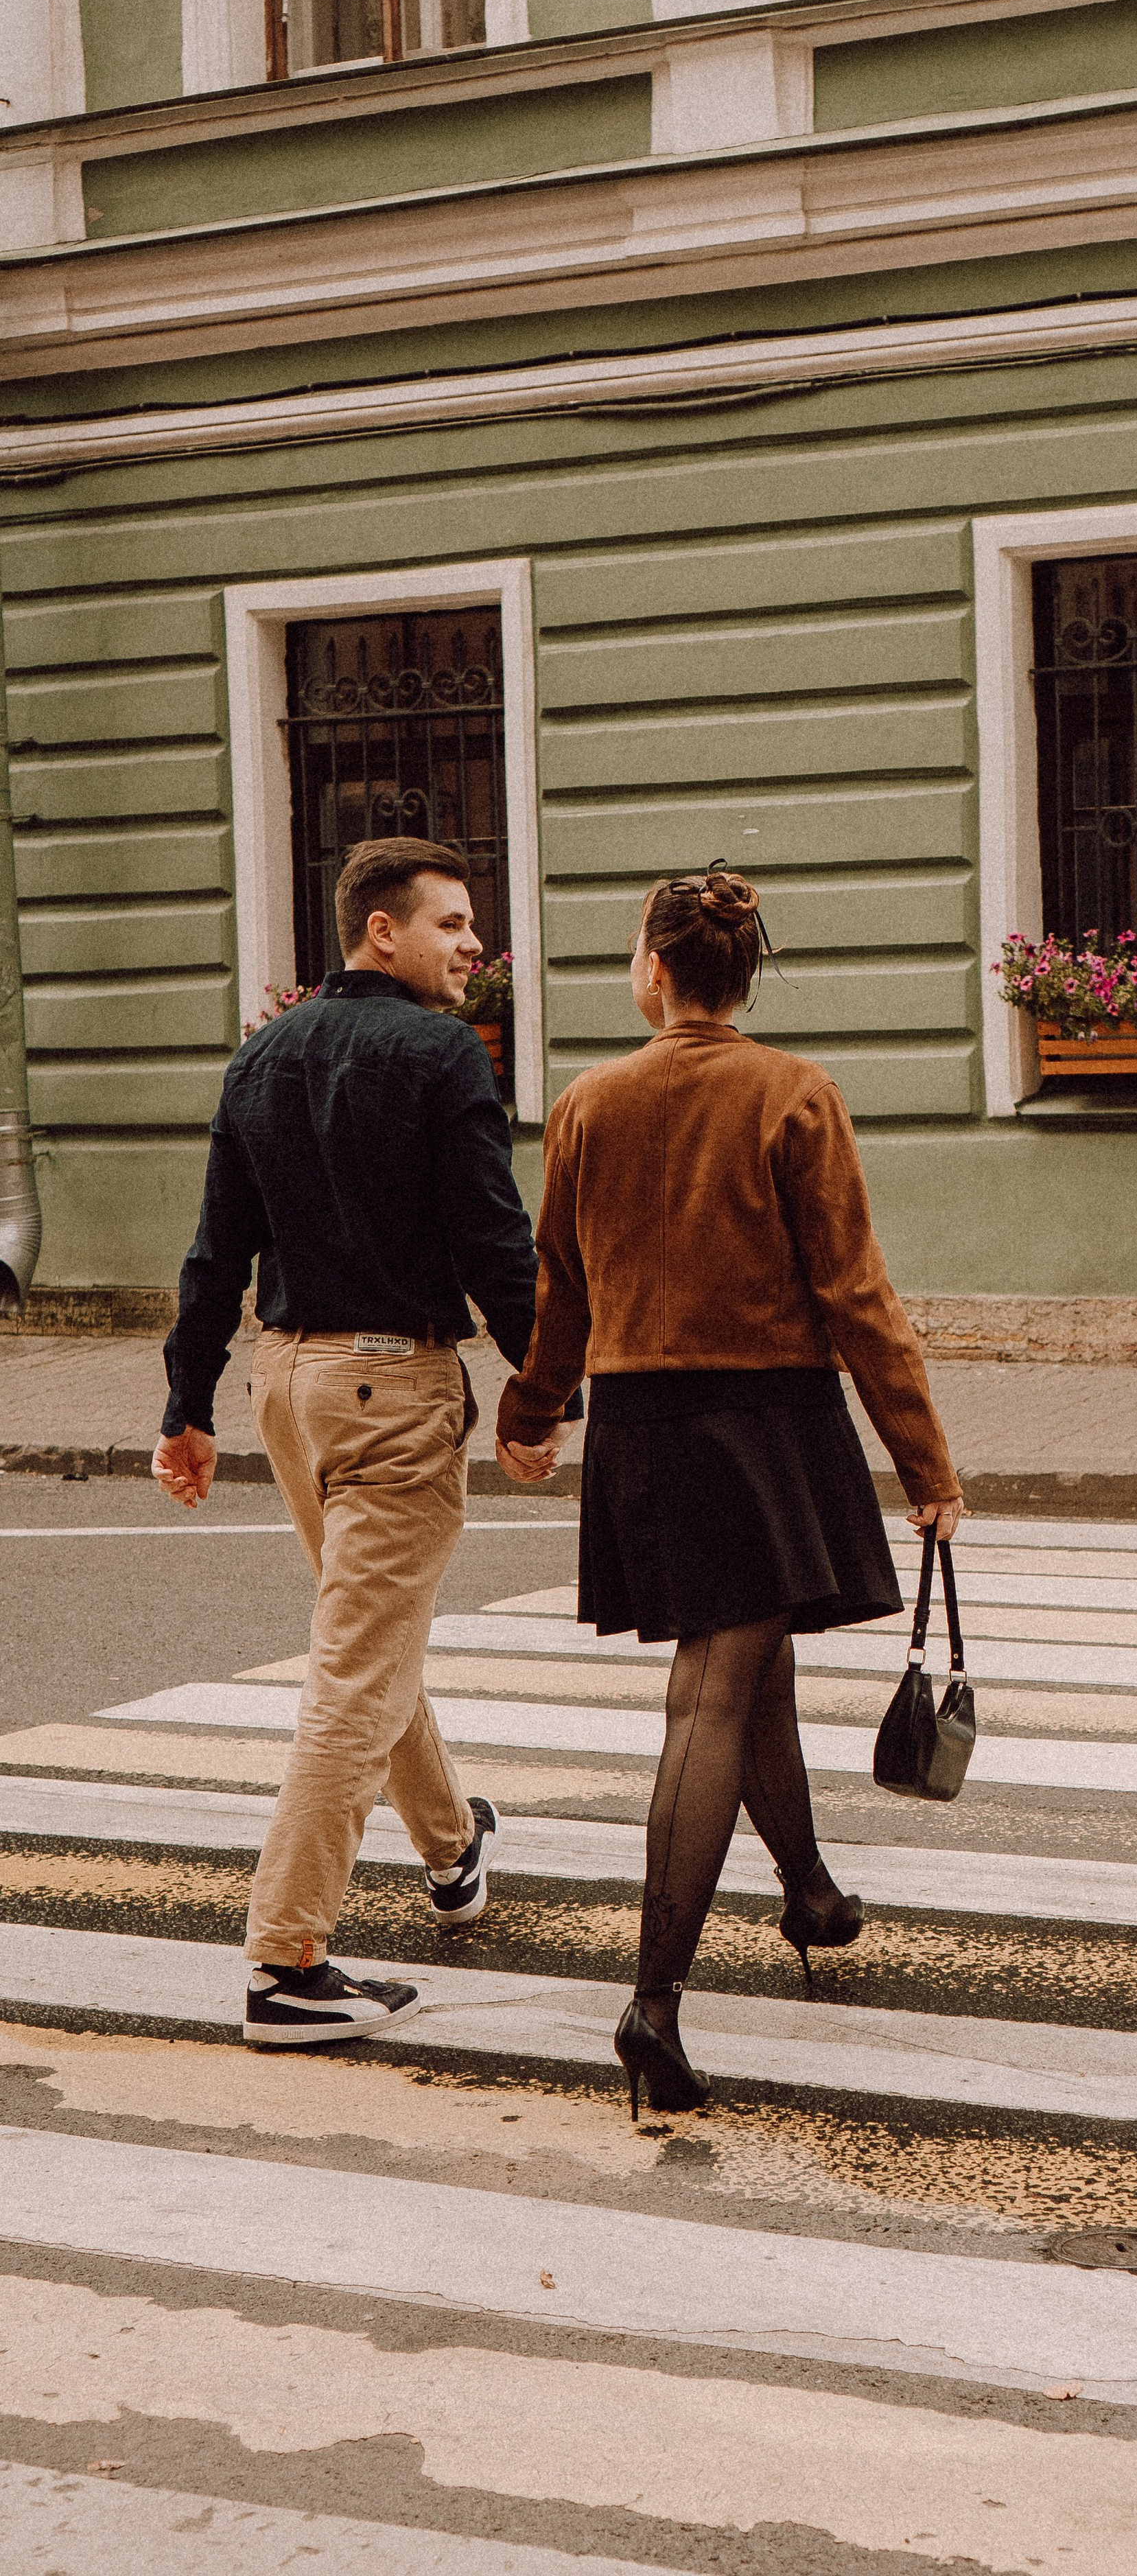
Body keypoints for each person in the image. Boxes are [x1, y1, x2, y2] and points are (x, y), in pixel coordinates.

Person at [495, 863, 963, 2120]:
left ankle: (809, 1892)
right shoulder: (794, 1092)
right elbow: (855, 1294)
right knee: (715, 1690)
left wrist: (532, 1412)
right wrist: (925, 1464)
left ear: (652, 970)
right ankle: (653, 2003)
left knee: (752, 1668)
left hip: (645, 1429)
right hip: (767, 1424)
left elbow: (561, 1288)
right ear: (745, 976)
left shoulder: (586, 1103)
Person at [152, 835, 563, 2049]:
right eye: (453, 924)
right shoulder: (443, 1054)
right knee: (353, 1677)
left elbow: (215, 1252)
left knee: (368, 1640)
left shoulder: (262, 1053)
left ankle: (452, 1848)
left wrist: (187, 1408)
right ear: (382, 930)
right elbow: (496, 1239)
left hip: (289, 1387)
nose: (475, 946)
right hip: (393, 1390)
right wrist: (542, 1395)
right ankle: (286, 1965)